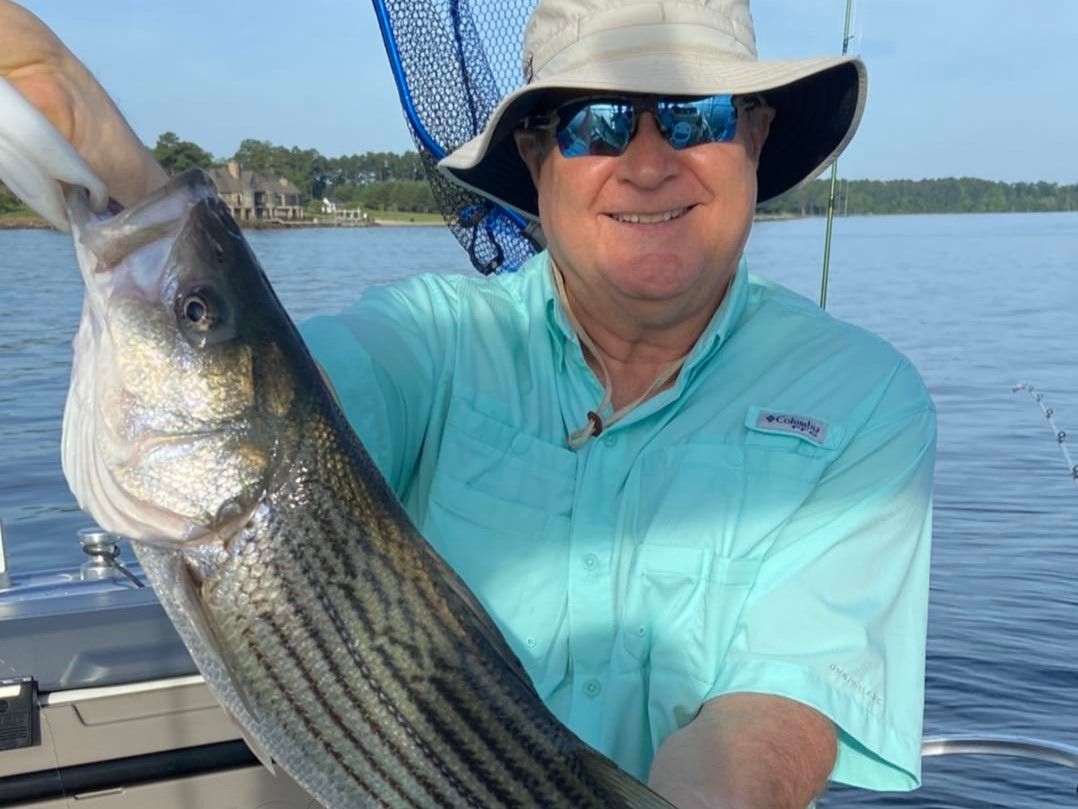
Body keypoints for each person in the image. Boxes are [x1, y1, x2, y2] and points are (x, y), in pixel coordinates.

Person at [1, 0, 936, 806]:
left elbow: (773, 717)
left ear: (757, 137)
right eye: (598, 124)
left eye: (697, 117)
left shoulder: (860, 400)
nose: (649, 163)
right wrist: (116, 167)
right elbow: (291, 394)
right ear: (535, 155)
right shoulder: (433, 339)